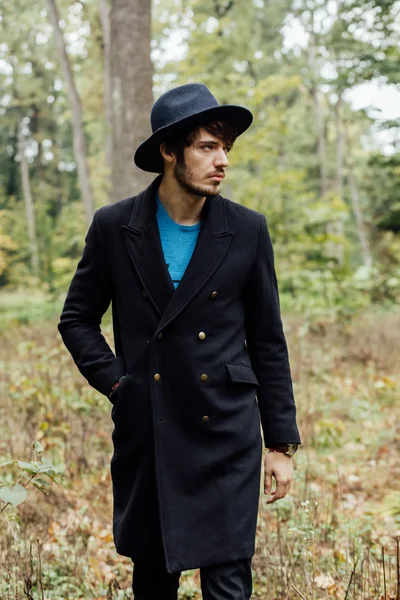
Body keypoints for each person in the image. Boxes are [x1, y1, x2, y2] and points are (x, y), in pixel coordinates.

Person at [58, 83, 301, 600]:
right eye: (207, 147)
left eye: (226, 149)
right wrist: (119, 384)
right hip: (151, 427)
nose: (222, 162)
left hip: (226, 431)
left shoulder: (247, 229)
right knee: (153, 578)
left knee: (229, 583)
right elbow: (76, 318)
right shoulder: (114, 226)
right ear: (170, 151)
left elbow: (268, 341)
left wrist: (279, 443)